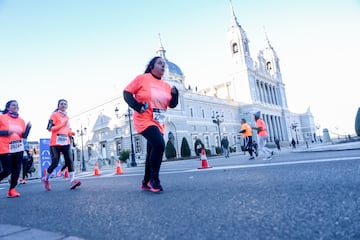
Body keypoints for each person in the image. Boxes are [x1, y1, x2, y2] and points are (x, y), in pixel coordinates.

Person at [124, 56, 179, 193]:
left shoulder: (166, 86)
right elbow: (127, 93)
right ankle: (154, 180)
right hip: (144, 119)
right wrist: (137, 106)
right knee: (160, 144)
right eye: (159, 63)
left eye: (164, 64)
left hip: (158, 121)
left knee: (151, 151)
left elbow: (172, 104)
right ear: (151, 66)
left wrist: (175, 94)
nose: (163, 66)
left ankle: (145, 181)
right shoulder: (142, 78)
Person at [42, 99, 81, 190]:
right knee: (55, 163)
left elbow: (65, 130)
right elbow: (49, 128)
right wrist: (62, 125)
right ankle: (46, 179)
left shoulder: (67, 117)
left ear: (67, 106)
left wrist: (70, 132)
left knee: (69, 161)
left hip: (65, 142)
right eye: (61, 104)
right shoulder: (54, 115)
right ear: (58, 106)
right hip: (55, 143)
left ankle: (72, 181)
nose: (63, 105)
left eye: (65, 104)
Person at [0, 100, 31, 197]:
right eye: (13, 105)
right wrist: (7, 132)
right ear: (8, 107)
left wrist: (28, 128)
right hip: (5, 147)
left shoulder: (21, 121)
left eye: (17, 105)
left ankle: (12, 190)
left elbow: (23, 136)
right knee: (7, 170)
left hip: (18, 147)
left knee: (17, 169)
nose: (16, 106)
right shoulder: (2, 118)